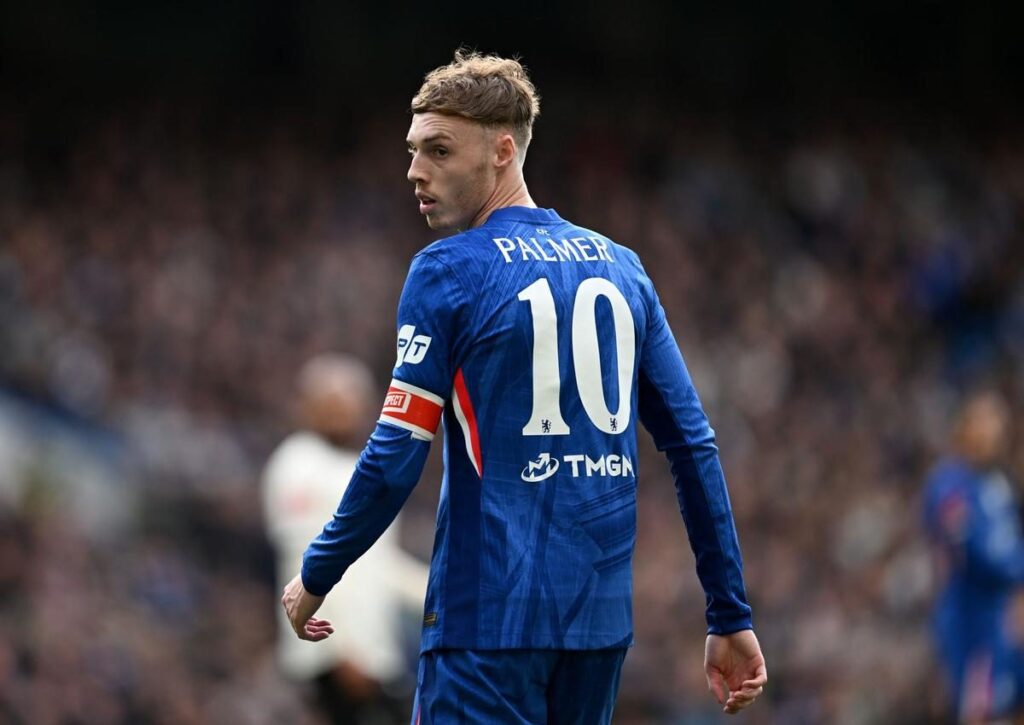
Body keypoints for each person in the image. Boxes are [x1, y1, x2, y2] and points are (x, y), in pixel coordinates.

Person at [282, 50, 767, 723]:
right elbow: (692, 444)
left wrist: (317, 571)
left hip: (486, 624)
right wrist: (728, 610)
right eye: (414, 149)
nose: (415, 170)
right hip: (596, 629)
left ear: (503, 151)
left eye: (440, 149)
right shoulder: (624, 271)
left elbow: (396, 453)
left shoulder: (448, 270)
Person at [264, 354, 428, 724]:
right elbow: (303, 556)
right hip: (332, 655)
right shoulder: (297, 463)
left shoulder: (359, 468)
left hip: (373, 655)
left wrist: (438, 588)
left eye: (350, 400)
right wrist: (340, 651)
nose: (343, 411)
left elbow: (379, 565)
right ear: (309, 405)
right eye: (332, 400)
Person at [924, 389, 1024, 724]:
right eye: (986, 419)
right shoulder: (949, 483)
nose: (995, 429)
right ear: (965, 426)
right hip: (969, 620)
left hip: (1002, 618)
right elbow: (973, 551)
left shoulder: (998, 483)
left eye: (999, 421)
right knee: (980, 710)